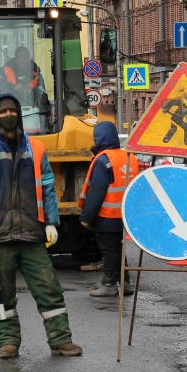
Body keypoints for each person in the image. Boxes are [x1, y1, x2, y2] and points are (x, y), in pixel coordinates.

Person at [0, 93, 82, 359]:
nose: (8, 115)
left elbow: (47, 188)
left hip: (32, 233)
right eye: (2, 111)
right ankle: (8, 341)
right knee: (1, 294)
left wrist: (52, 223)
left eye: (12, 110)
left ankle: (60, 341)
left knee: (49, 288)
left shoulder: (35, 148)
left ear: (19, 113)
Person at [78, 121, 138, 297]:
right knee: (118, 248)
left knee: (109, 249)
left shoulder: (104, 160)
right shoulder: (129, 157)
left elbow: (96, 192)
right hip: (125, 214)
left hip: (107, 215)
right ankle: (124, 282)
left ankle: (110, 283)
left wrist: (86, 217)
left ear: (99, 137)